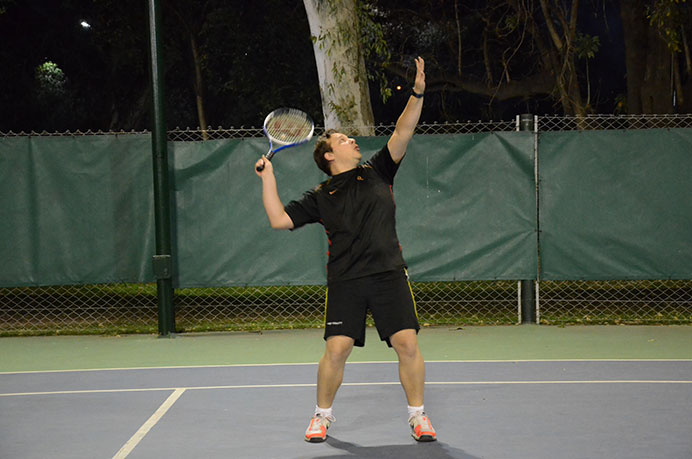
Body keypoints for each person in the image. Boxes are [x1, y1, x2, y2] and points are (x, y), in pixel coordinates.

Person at [254, 57, 436, 443]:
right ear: (329, 157)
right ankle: (321, 416)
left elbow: (404, 129)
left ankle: (418, 416)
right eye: (342, 140)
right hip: (346, 280)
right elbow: (278, 220)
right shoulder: (320, 197)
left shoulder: (379, 171)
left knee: (407, 343)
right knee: (336, 349)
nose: (352, 140)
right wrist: (268, 179)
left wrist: (418, 92)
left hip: (388, 272)